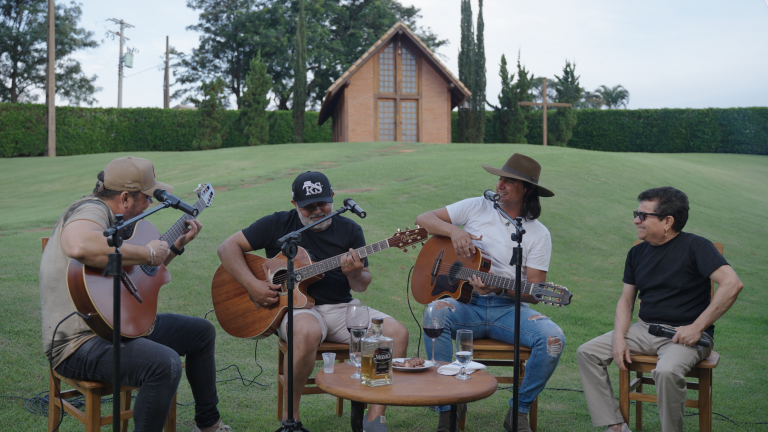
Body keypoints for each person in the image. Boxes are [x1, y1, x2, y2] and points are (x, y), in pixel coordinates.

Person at [40, 156, 230, 432]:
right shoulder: (90, 210)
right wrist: (148, 252)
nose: (151, 203)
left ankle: (209, 424)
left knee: (201, 332)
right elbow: (79, 245)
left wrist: (174, 247)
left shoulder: (122, 223)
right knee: (164, 364)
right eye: (147, 197)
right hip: (78, 345)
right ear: (125, 198)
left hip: (115, 327)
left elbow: (140, 275)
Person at [217, 171, 409, 432]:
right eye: (309, 206)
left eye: (323, 203)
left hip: (342, 309)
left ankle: (374, 419)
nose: (318, 211)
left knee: (396, 333)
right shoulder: (277, 224)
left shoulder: (350, 229)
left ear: (333, 197)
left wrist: (354, 273)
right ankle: (291, 421)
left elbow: (361, 285)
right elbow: (226, 248)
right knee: (306, 330)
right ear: (295, 204)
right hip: (296, 309)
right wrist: (253, 286)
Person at [414, 153, 565, 432]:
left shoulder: (537, 233)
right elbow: (423, 219)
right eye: (500, 178)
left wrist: (500, 287)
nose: (500, 185)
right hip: (465, 304)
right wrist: (454, 232)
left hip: (507, 309)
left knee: (553, 339)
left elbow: (534, 292)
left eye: (509, 181)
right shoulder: (476, 206)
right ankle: (448, 407)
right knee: (434, 313)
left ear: (527, 189)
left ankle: (518, 411)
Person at [576, 186, 743, 432]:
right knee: (587, 352)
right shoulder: (637, 253)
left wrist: (697, 327)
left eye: (643, 215)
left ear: (667, 221)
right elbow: (626, 301)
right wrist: (619, 338)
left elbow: (732, 284)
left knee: (665, 372)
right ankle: (616, 427)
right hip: (644, 330)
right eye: (637, 214)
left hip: (684, 337)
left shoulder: (697, 247)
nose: (636, 220)